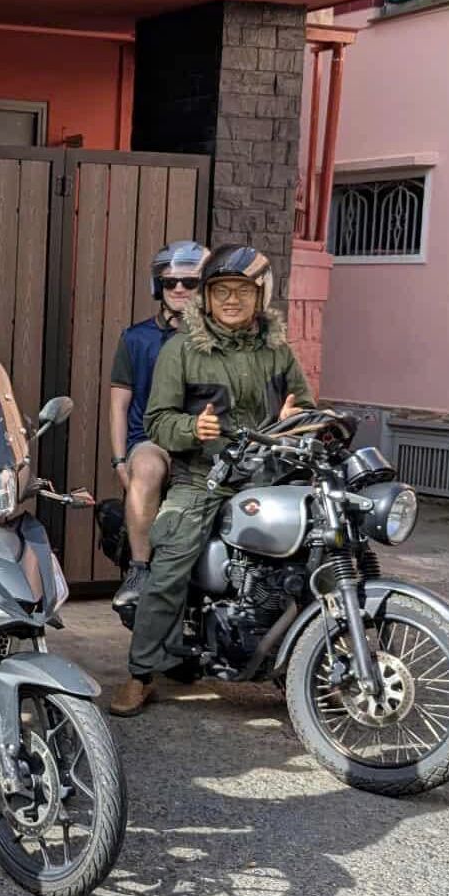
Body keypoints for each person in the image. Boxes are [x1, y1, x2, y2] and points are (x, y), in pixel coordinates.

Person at [112, 244, 312, 717]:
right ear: (207, 297)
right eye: (221, 290)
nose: (231, 300)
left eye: (242, 290)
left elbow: (303, 404)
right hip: (205, 475)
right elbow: (157, 421)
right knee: (170, 563)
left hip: (269, 473)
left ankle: (303, 656)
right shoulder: (182, 349)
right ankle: (142, 672)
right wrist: (192, 428)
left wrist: (297, 416)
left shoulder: (278, 350)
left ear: (261, 294)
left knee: (315, 545)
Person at [108, 241, 209, 614]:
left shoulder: (218, 339)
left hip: (203, 442)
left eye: (190, 282)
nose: (179, 288)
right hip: (151, 440)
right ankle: (139, 570)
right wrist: (120, 460)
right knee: (148, 468)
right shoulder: (136, 339)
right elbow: (119, 404)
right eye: (170, 282)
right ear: (158, 287)